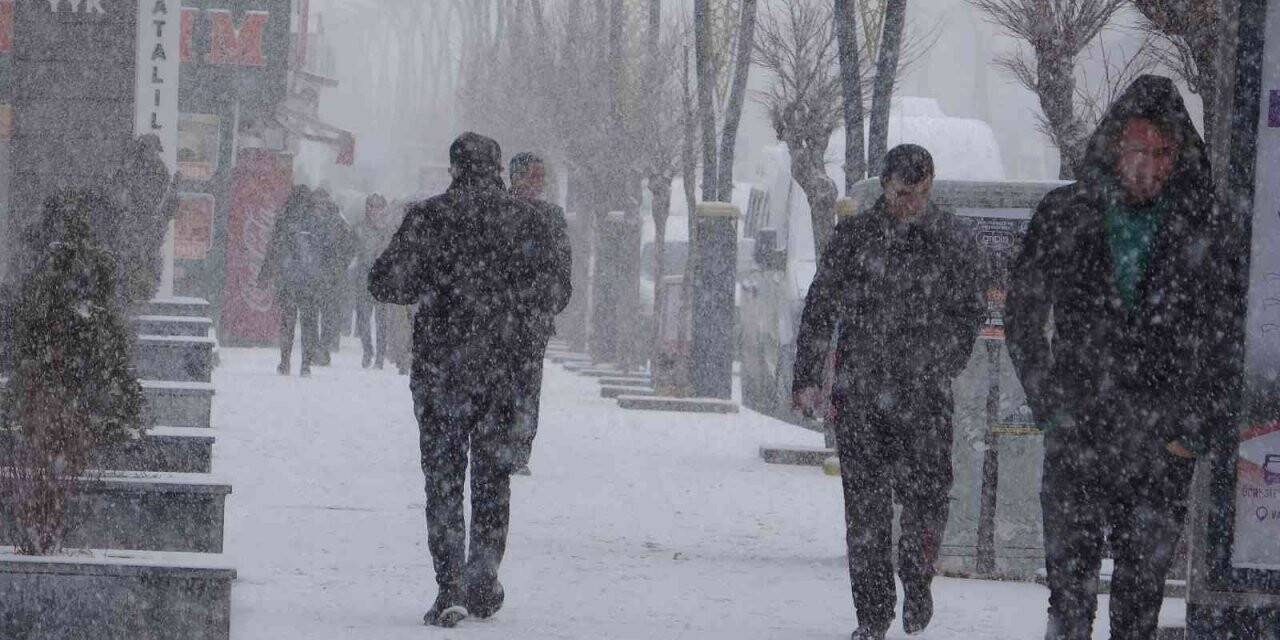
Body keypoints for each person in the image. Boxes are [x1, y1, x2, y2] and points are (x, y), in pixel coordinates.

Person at [1005, 75, 1238, 640]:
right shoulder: (1067, 213)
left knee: (1139, 605)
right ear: (1115, 147)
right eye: (1139, 150)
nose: (1150, 167)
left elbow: (1226, 334)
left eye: (1163, 153)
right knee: (1069, 599)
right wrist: (1051, 406)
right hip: (1079, 432)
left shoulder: (1204, 223)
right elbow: (1023, 315)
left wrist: (1195, 427)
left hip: (1161, 444)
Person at [369, 133, 572, 628]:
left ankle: (449, 586)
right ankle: (483, 574)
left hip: (443, 370)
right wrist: (511, 304)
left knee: (442, 481)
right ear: (498, 168)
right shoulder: (534, 220)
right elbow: (557, 293)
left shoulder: (429, 217)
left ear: (453, 168)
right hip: (505, 371)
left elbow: (385, 282)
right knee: (492, 475)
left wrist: (437, 284)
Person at [791, 144, 985, 640]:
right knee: (866, 512)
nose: (911, 203)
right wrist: (808, 376)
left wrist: (943, 361)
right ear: (885, 187)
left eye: (921, 193)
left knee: (927, 500)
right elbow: (820, 307)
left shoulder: (952, 240)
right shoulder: (854, 238)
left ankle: (917, 578)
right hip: (861, 397)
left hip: (925, 397)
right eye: (903, 193)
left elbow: (970, 310)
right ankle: (872, 617)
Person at [505, 153, 573, 475]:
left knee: (527, 385)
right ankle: (495, 442)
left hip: (532, 319)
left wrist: (547, 302)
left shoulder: (552, 217)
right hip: (497, 318)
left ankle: (519, 450)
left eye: (540, 177)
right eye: (532, 176)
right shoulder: (497, 212)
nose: (538, 184)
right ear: (514, 178)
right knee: (497, 384)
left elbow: (563, 270)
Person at [259, 186, 324, 377]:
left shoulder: (284, 219)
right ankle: (305, 364)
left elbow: (273, 249)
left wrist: (264, 274)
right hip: (310, 281)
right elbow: (327, 251)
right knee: (309, 323)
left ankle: (285, 361)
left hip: (287, 279)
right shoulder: (316, 221)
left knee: (287, 322)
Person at [312, 189, 357, 365]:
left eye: (322, 202)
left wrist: (341, 263)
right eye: (318, 202)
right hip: (322, 274)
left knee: (328, 312)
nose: (320, 205)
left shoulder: (337, 222)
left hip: (329, 274)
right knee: (322, 312)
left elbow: (352, 245)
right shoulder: (325, 220)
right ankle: (320, 346)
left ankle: (322, 347)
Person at [353, 193, 394, 369]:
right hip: (363, 277)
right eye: (371, 206)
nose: (374, 210)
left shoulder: (389, 231)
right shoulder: (358, 229)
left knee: (381, 321)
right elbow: (351, 251)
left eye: (378, 206)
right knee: (363, 318)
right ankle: (367, 350)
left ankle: (379, 357)